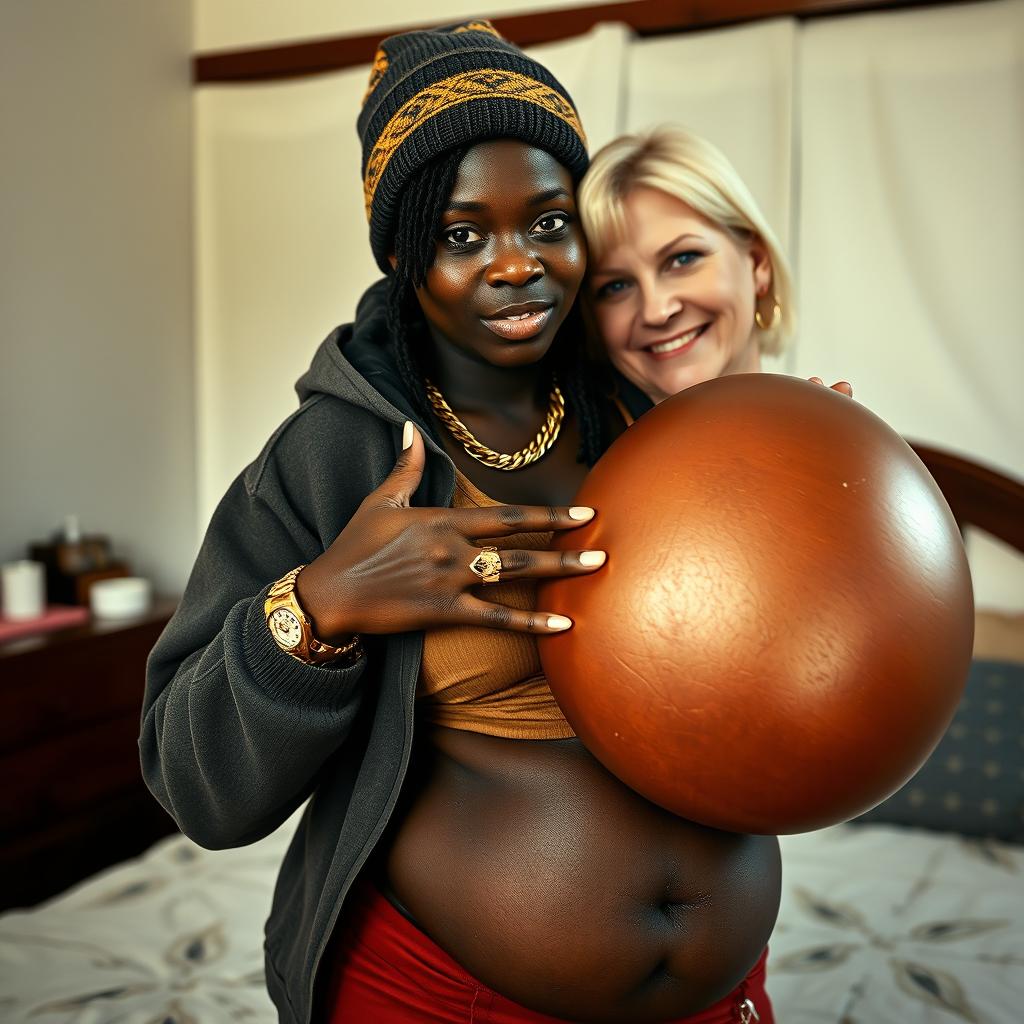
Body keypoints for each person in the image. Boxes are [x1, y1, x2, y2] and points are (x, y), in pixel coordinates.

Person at [141, 23, 780, 1024]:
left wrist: (802, 484)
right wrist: (319, 607)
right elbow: (194, 783)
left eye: (548, 223)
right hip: (436, 995)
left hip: (718, 996)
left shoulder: (638, 416)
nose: (516, 264)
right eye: (462, 234)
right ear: (403, 253)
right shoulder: (335, 456)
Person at [578, 125, 851, 413]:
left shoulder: (856, 447)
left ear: (758, 263)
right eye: (616, 286)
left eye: (683, 259)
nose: (656, 311)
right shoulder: (589, 458)